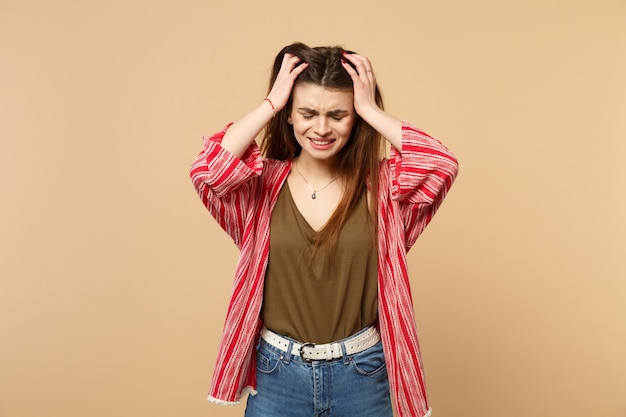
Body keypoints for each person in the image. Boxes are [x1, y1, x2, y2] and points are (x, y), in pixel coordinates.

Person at [190, 42, 459, 417]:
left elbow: (440, 163)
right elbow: (208, 171)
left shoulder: (383, 188)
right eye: (307, 112)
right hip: (276, 376)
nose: (321, 128)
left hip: (362, 375)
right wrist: (272, 103)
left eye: (338, 114)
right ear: (289, 115)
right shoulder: (260, 186)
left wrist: (369, 109)